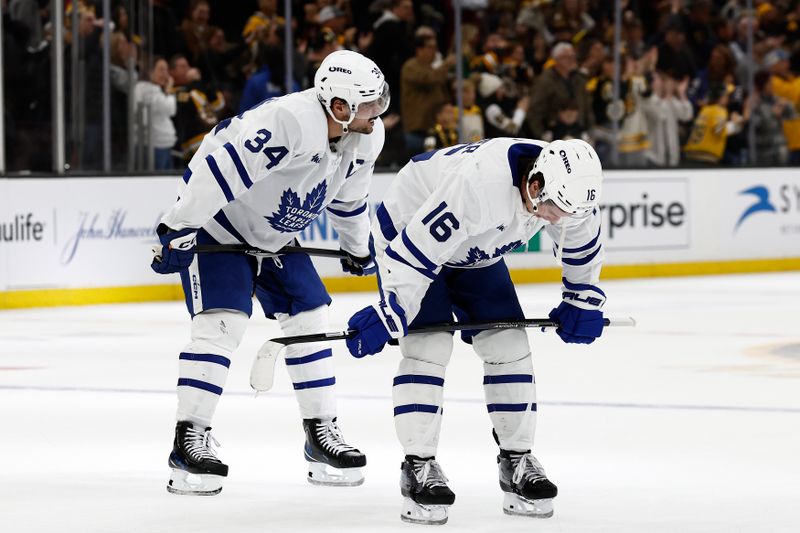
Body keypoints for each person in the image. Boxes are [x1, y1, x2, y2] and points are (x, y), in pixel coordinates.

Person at [150, 50, 389, 495]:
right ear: (340, 105)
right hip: (220, 223)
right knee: (221, 325)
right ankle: (189, 440)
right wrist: (179, 226)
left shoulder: (365, 138)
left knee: (309, 319)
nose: (378, 113)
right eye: (370, 104)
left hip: (275, 235)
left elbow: (349, 200)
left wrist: (358, 248)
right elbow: (222, 171)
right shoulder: (291, 121)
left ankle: (321, 434)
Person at [345, 137, 605, 524]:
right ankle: (418, 466)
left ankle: (517, 460)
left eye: (566, 213)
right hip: (410, 235)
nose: (555, 220)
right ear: (534, 185)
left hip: (477, 249)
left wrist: (582, 296)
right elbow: (418, 252)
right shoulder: (480, 186)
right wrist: (391, 311)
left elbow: (582, 246)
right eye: (552, 209)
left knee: (510, 341)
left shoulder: (570, 190)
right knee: (427, 347)